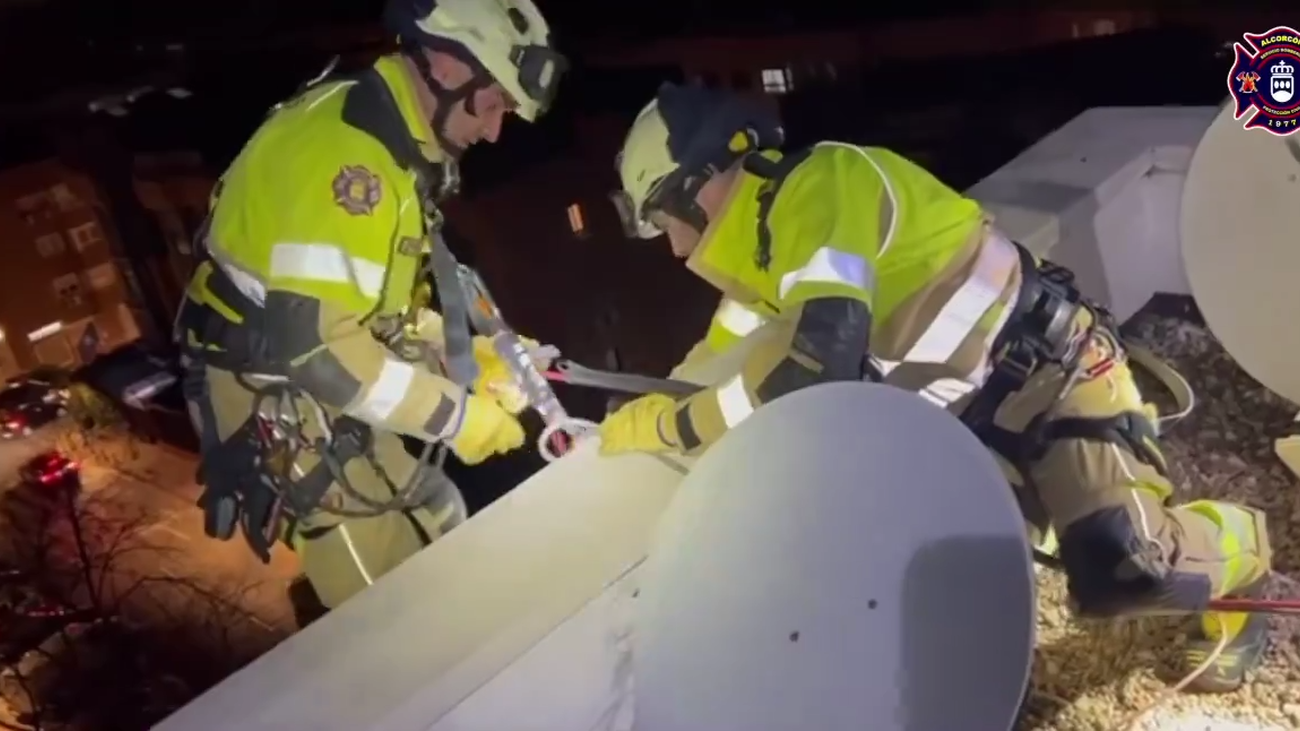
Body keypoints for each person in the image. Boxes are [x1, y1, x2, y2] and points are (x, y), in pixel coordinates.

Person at [601, 82, 1272, 693]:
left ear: (699, 179)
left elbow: (812, 370)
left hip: (1056, 374)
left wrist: (672, 425)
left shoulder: (823, 187)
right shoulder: (761, 252)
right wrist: (649, 402)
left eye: (665, 216)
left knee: (1127, 565)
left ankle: (1245, 553)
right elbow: (722, 354)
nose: (676, 247)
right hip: (965, 420)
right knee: (941, 582)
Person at [175, 0, 567, 610]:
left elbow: (369, 311)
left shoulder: (390, 138)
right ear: (445, 64)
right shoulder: (352, 161)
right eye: (493, 104)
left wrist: (469, 356)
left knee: (434, 507)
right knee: (383, 583)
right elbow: (321, 351)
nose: (494, 131)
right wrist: (458, 418)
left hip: (311, 368)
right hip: (275, 385)